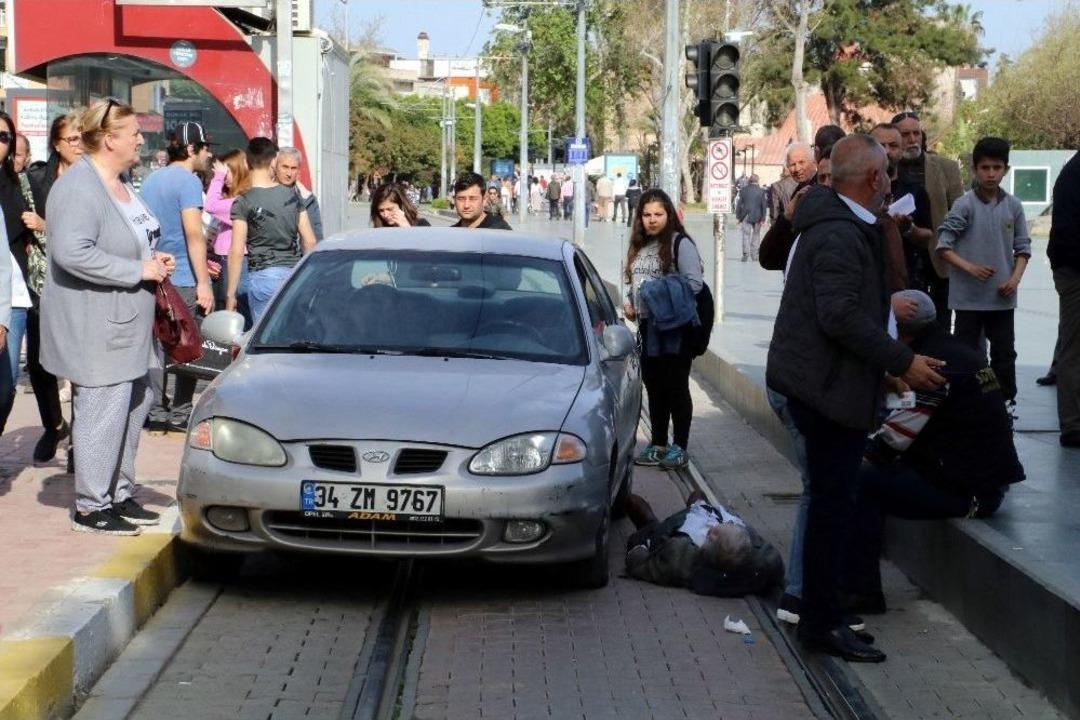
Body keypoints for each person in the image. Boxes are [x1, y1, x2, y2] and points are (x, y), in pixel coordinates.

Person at [766, 134, 946, 663]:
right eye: (886, 173)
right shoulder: (839, 232)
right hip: (824, 394)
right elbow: (840, 315)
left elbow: (852, 313)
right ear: (873, 178)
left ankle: (825, 612)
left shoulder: (843, 224)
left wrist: (886, 372)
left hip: (833, 387)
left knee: (834, 506)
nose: (890, 181)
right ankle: (820, 621)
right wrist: (902, 361)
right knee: (830, 507)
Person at [41, 98, 175, 535]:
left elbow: (129, 239)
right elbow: (71, 252)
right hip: (99, 325)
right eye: (134, 133)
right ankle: (91, 505)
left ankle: (118, 494)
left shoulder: (122, 182)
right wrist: (137, 270)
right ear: (110, 138)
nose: (141, 140)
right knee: (102, 412)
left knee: (133, 407)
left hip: (132, 321)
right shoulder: (78, 187)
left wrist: (153, 260)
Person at [844, 289, 1025, 611]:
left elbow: (890, 443)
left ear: (898, 331)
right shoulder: (955, 350)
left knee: (859, 481)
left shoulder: (930, 366)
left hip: (970, 494)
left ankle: (862, 591)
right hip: (978, 480)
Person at [936, 136, 1030, 415]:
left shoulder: (1014, 206)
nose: (991, 174)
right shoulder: (964, 205)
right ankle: (973, 401)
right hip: (968, 299)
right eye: (985, 168)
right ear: (975, 169)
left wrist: (1014, 280)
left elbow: (1023, 249)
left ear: (1006, 169)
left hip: (1002, 298)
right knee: (969, 354)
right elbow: (943, 246)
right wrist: (970, 268)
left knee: (1004, 353)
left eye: (997, 168)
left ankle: (1004, 403)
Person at [0, 112, 68, 461]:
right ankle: (54, 425)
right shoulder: (31, 182)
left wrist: (43, 227)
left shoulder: (21, 186)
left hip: (21, 292)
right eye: (71, 138)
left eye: (5, 138)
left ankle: (69, 436)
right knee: (36, 368)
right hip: (29, 289)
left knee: (8, 383)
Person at [139, 122, 215, 431]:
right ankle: (181, 410)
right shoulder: (189, 182)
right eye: (205, 148)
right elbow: (194, 234)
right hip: (182, 275)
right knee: (186, 342)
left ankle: (156, 409)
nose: (209, 154)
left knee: (157, 345)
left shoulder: (150, 180)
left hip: (153, 274)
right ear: (191, 148)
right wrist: (204, 282)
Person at [623, 189, 704, 470]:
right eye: (647, 215)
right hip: (647, 327)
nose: (652, 220)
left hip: (674, 328)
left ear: (669, 215)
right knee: (654, 387)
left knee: (676, 387)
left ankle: (679, 446)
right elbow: (635, 281)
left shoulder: (680, 243)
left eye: (658, 214)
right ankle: (658, 444)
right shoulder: (640, 245)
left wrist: (656, 294)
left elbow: (695, 283)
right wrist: (631, 301)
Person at [623, 490, 784, 596]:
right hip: (700, 517)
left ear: (710, 535)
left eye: (720, 527)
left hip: (670, 530)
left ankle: (649, 523)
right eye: (730, 524)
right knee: (697, 495)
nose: (727, 523)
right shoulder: (763, 559)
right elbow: (774, 563)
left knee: (632, 501)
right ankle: (698, 505)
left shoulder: (678, 555)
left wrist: (642, 543)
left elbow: (637, 562)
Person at [226, 137, 317, 322]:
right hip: (292, 276)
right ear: (274, 162)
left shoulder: (243, 201)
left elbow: (236, 251)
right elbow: (310, 240)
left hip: (262, 277)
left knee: (265, 334)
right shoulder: (293, 196)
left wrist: (230, 294)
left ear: (247, 163)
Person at [894, 111, 964, 326]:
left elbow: (959, 213)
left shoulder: (946, 167)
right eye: (905, 134)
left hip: (939, 260)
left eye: (916, 133)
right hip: (901, 261)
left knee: (941, 324)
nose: (912, 139)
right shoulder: (887, 169)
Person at [870, 123, 934, 292]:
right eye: (880, 146)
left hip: (906, 280)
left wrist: (909, 229)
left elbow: (928, 236)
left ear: (901, 150)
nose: (886, 151)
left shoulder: (915, 191)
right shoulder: (857, 189)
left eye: (893, 146)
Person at [1049, 151, 1080, 447]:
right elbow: (1067, 234)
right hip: (1074, 272)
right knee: (1074, 349)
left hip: (1070, 266)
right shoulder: (1074, 174)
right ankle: (1073, 425)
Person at [204, 149, 252, 313]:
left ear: (239, 171)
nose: (224, 178)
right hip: (226, 260)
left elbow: (210, 205)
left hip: (237, 262)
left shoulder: (238, 202)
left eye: (227, 172)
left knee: (234, 309)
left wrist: (218, 177)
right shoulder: (235, 198)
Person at [275, 147, 324, 242]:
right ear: (276, 167)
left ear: (298, 170)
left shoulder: (308, 199)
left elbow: (316, 237)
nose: (289, 173)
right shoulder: (263, 194)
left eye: (293, 168)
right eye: (285, 167)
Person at [770, 143, 816, 222]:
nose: (797, 169)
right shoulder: (797, 191)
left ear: (813, 162)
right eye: (792, 164)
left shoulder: (821, 187)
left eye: (801, 162)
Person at [735, 174, 768, 263]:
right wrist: (763, 218)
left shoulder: (744, 190)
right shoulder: (761, 191)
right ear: (757, 181)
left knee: (746, 235)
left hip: (745, 215)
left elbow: (739, 204)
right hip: (758, 216)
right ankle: (754, 255)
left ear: (749, 180)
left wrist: (738, 217)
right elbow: (764, 205)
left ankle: (745, 254)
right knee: (756, 235)